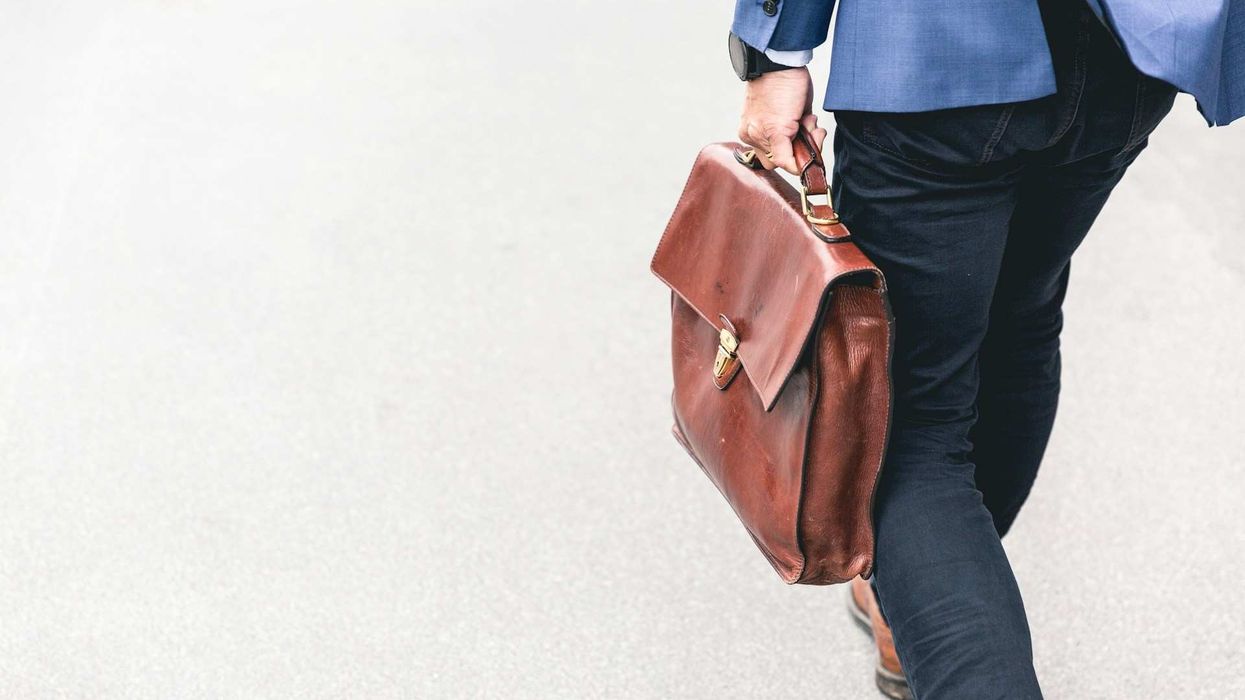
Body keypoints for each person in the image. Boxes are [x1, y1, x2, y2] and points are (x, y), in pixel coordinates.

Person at [727, 0, 1243, 697]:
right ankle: (920, 590)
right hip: (1128, 58)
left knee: (906, 421)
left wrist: (773, 49)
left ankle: (927, 591)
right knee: (1019, 320)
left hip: (938, 53)